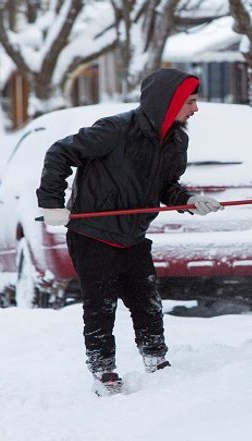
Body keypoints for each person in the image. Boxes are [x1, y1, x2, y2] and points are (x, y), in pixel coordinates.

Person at [35, 68, 222, 396]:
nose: (196, 109)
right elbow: (60, 153)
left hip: (133, 236)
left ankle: (157, 361)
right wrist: (52, 203)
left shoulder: (177, 140)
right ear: (169, 102)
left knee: (147, 303)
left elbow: (166, 186)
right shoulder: (114, 130)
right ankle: (104, 370)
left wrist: (189, 200)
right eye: (190, 101)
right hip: (92, 233)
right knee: (100, 306)